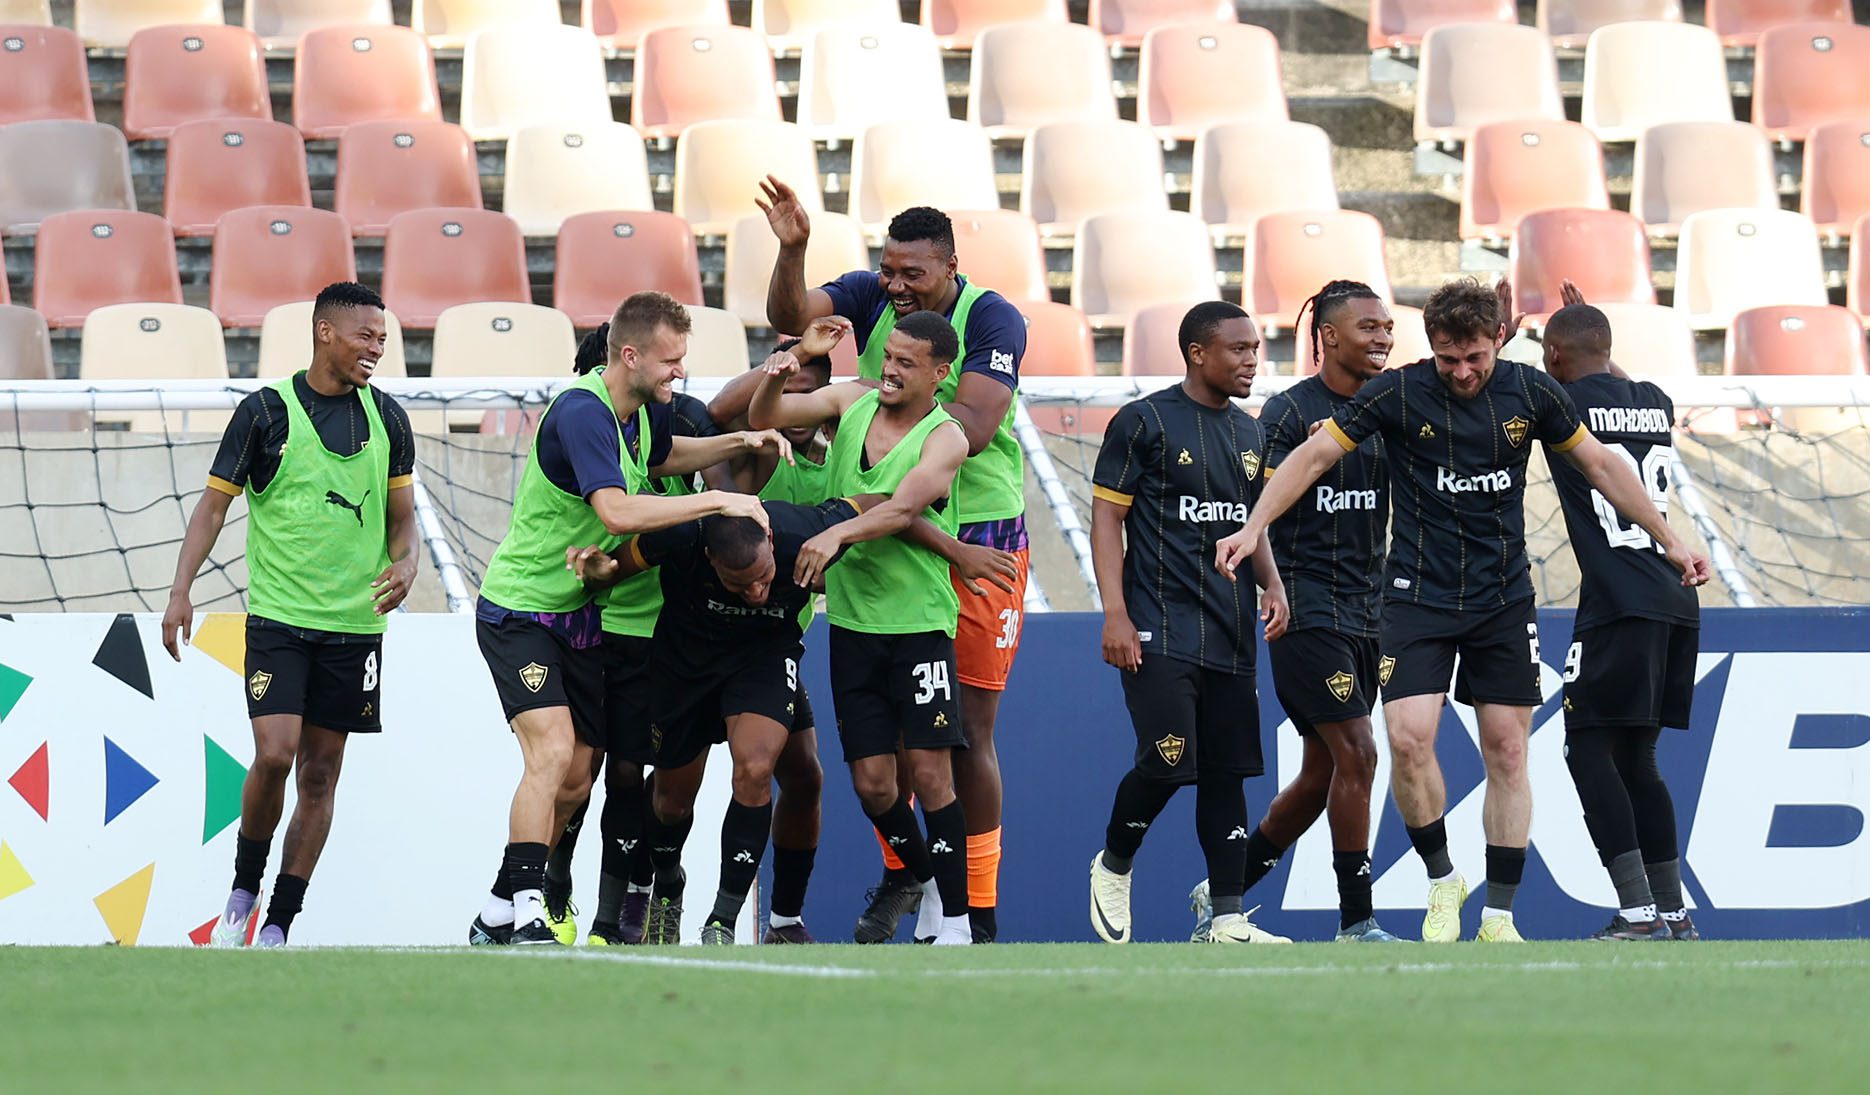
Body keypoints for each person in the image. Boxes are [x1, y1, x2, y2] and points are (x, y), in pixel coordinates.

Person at [1216, 278, 1711, 944]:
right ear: (1432, 348)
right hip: (1416, 594)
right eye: (1448, 359)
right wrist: (1253, 527)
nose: (1462, 371)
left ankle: (1499, 916)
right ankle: (1442, 875)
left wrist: (1670, 539)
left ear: (1499, 340)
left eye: (1475, 357)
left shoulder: (1532, 392)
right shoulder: (1397, 392)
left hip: (1503, 598)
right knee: (1407, 739)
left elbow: (1600, 464)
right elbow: (1314, 455)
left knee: (1507, 750)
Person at [468, 291, 789, 946]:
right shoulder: (583, 411)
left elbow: (665, 458)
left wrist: (739, 439)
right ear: (631, 355)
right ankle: (529, 910)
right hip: (522, 609)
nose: (681, 372)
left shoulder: (640, 411)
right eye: (671, 361)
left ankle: (497, 906)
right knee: (553, 752)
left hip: (579, 612)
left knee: (575, 779)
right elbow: (616, 512)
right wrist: (717, 502)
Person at [761, 183, 1028, 942]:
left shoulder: (992, 318)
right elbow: (790, 317)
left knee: (963, 734)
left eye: (914, 273)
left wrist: (873, 475)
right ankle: (918, 877)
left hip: (976, 534)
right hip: (881, 529)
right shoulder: (870, 295)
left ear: (950, 267)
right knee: (887, 762)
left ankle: (976, 909)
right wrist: (792, 250)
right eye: (889, 270)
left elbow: (973, 425)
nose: (898, 285)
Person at [164, 281, 419, 948]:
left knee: (320, 774)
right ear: (325, 332)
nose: (376, 348)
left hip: (355, 627)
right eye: (365, 336)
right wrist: (180, 591)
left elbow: (403, 520)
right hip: (279, 621)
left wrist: (409, 562)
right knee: (275, 755)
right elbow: (213, 507)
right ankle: (243, 891)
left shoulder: (389, 419)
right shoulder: (264, 413)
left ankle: (279, 921)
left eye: (383, 338)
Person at [747, 310, 976, 944]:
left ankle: (956, 924)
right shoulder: (852, 401)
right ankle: (926, 880)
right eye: (888, 357)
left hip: (918, 625)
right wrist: (782, 369)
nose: (890, 371)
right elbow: (765, 416)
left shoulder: (946, 437)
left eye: (906, 362)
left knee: (931, 776)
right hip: (852, 624)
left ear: (940, 373)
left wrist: (836, 533)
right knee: (874, 786)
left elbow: (903, 508)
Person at [1188, 281, 1403, 943]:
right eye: (1368, 327)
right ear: (1329, 337)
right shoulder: (1289, 412)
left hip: (1370, 610)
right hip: (1305, 607)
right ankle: (1357, 920)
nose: (1383, 338)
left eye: (1387, 327)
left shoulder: (1391, 404)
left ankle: (1223, 889)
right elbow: (1258, 501)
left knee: (1322, 772)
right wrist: (1270, 584)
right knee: (1359, 752)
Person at [1086, 301, 1292, 945]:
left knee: (1228, 772)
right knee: (1168, 762)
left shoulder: (1251, 434)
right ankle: (1114, 862)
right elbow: (1107, 519)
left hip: (1230, 628)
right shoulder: (1143, 421)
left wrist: (1273, 583)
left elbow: (1252, 524)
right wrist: (1115, 614)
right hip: (1157, 623)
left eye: (1255, 348)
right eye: (1239, 349)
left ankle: (1226, 918)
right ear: (1198, 353)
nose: (1252, 360)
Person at [540, 323, 736, 946]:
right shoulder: (584, 426)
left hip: (662, 631)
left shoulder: (673, 420)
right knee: (579, 771)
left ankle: (629, 903)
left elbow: (720, 493)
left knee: (634, 775)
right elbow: (617, 518)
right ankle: (552, 886)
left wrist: (743, 447)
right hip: (596, 619)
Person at [1541, 296, 1701, 941]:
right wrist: (1584, 334)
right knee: (1639, 759)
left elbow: (1529, 383)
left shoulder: (1559, 404)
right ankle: (1674, 913)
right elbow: (1612, 378)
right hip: (1674, 597)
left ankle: (1637, 911)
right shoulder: (1655, 400)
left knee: (1586, 750)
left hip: (1618, 601)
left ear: (1554, 356)